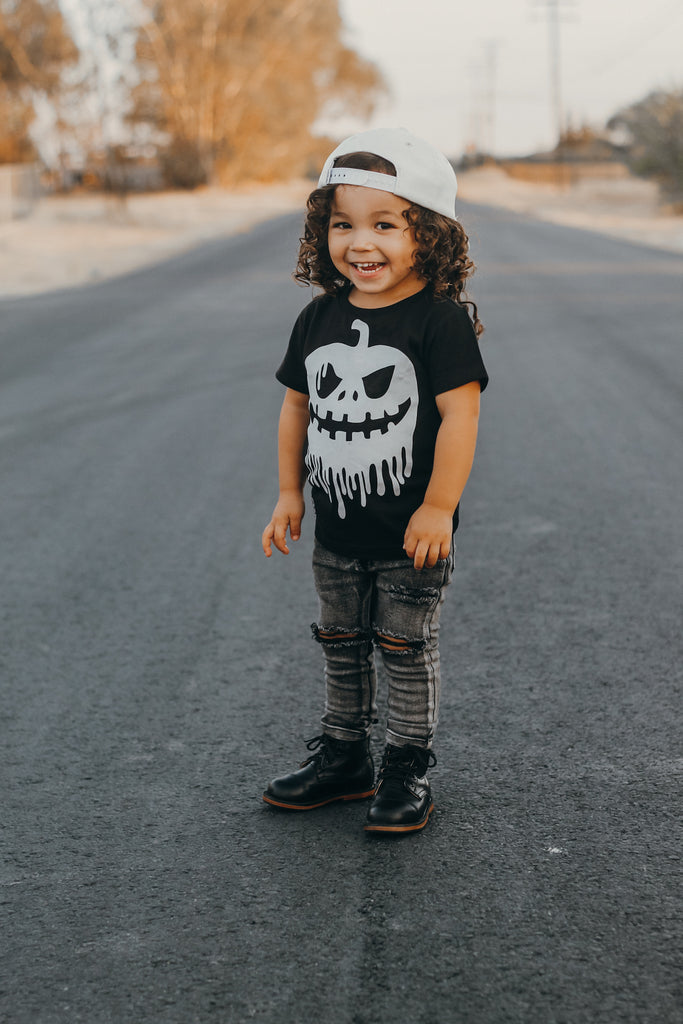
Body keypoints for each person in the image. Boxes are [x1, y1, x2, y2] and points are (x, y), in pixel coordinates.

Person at [261, 128, 488, 834]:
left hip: (411, 537)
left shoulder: (439, 322)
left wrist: (439, 506)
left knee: (404, 649)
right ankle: (345, 757)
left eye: (384, 225)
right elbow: (296, 406)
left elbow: (460, 417)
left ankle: (406, 765)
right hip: (337, 531)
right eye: (343, 224)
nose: (360, 243)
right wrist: (289, 492)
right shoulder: (319, 316)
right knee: (340, 641)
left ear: (430, 235)